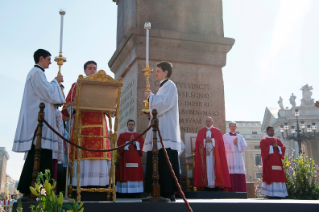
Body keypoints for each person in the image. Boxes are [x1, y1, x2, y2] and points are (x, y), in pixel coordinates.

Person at [12, 49, 65, 196]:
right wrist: (56, 81)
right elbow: (48, 93)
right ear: (40, 58)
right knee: (38, 155)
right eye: (48, 59)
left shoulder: (39, 74)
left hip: (43, 123)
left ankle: (36, 189)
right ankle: (31, 189)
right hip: (39, 124)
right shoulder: (36, 73)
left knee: (41, 155)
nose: (50, 61)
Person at [62, 60, 111, 187]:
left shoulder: (103, 87)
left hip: (100, 126)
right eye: (90, 68)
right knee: (82, 152)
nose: (92, 70)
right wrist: (73, 106)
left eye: (94, 68)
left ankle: (101, 184)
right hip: (81, 126)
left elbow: (111, 107)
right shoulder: (76, 85)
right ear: (84, 71)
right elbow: (67, 107)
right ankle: (80, 184)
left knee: (99, 154)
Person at [143, 61, 181, 201]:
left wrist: (150, 96)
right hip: (159, 129)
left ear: (165, 72)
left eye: (158, 70)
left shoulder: (170, 85)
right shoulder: (162, 87)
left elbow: (165, 103)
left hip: (166, 130)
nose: (156, 73)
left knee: (165, 158)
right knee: (157, 157)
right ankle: (155, 191)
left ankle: (167, 191)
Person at [193, 117, 231, 190]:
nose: (208, 122)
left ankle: (214, 184)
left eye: (209, 121)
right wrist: (204, 141)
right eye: (206, 121)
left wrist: (212, 140)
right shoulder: (201, 131)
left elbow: (220, 142)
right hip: (204, 154)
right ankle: (206, 184)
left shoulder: (217, 131)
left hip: (214, 153)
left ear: (212, 122)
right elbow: (198, 142)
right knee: (206, 166)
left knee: (214, 166)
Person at [115, 120, 144, 197]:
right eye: (130, 124)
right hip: (125, 159)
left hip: (136, 159)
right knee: (126, 173)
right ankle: (124, 192)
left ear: (134, 126)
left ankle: (136, 192)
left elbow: (142, 145)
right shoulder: (122, 135)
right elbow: (119, 145)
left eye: (132, 124)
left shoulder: (139, 135)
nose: (131, 126)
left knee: (135, 174)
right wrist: (127, 143)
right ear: (127, 126)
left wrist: (135, 143)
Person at [260, 126, 288, 198]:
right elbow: (263, 150)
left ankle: (279, 194)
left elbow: (283, 148)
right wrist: (272, 146)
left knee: (278, 176)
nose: (272, 132)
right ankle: (270, 194)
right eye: (270, 130)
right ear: (267, 132)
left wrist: (277, 147)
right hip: (269, 162)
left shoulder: (277, 140)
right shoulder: (264, 140)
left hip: (277, 162)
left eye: (273, 130)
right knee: (271, 176)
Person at [223, 121, 247, 192]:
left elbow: (244, 146)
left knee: (238, 171)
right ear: (229, 127)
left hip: (238, 157)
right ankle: (229, 190)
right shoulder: (225, 136)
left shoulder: (240, 137)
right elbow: (223, 146)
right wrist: (233, 144)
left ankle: (240, 190)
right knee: (230, 171)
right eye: (231, 126)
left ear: (236, 127)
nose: (232, 128)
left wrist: (237, 144)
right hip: (229, 157)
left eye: (234, 126)